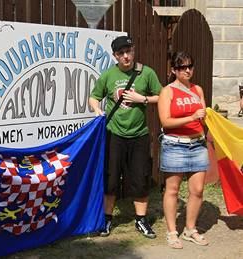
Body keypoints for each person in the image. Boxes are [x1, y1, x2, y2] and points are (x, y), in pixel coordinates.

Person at [88, 36, 162, 238]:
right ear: (115, 55)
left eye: (128, 51)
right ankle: (107, 220)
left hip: (139, 135)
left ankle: (141, 220)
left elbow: (162, 96)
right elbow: (94, 96)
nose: (126, 56)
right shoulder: (108, 75)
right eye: (121, 53)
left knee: (140, 179)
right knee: (111, 179)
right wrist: (96, 110)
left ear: (134, 50)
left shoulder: (146, 73)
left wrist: (143, 99)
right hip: (114, 135)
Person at [158, 52, 209, 249]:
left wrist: (208, 117)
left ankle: (190, 229)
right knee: (172, 190)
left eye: (190, 66)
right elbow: (166, 121)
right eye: (182, 67)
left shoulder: (198, 89)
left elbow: (203, 117)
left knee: (197, 190)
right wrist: (191, 117)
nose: (187, 70)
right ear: (174, 71)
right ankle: (172, 232)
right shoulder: (167, 91)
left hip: (198, 144)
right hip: (175, 145)